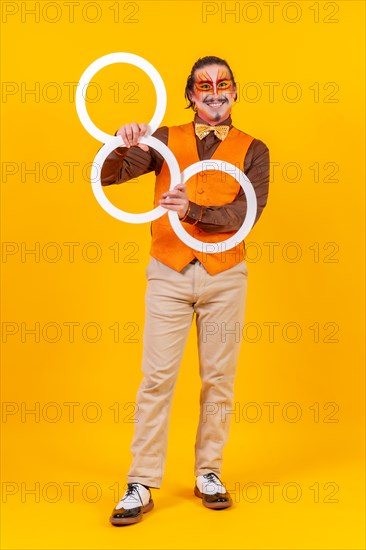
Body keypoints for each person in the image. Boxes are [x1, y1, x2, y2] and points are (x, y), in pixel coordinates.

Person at [101, 56, 270, 525]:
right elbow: (109, 177)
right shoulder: (164, 139)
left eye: (224, 83)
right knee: (156, 380)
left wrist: (191, 208)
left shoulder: (254, 149)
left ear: (234, 91)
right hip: (168, 270)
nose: (215, 91)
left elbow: (244, 216)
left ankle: (208, 473)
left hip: (225, 276)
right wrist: (122, 143)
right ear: (190, 94)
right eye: (204, 85)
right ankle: (140, 482)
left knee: (218, 380)